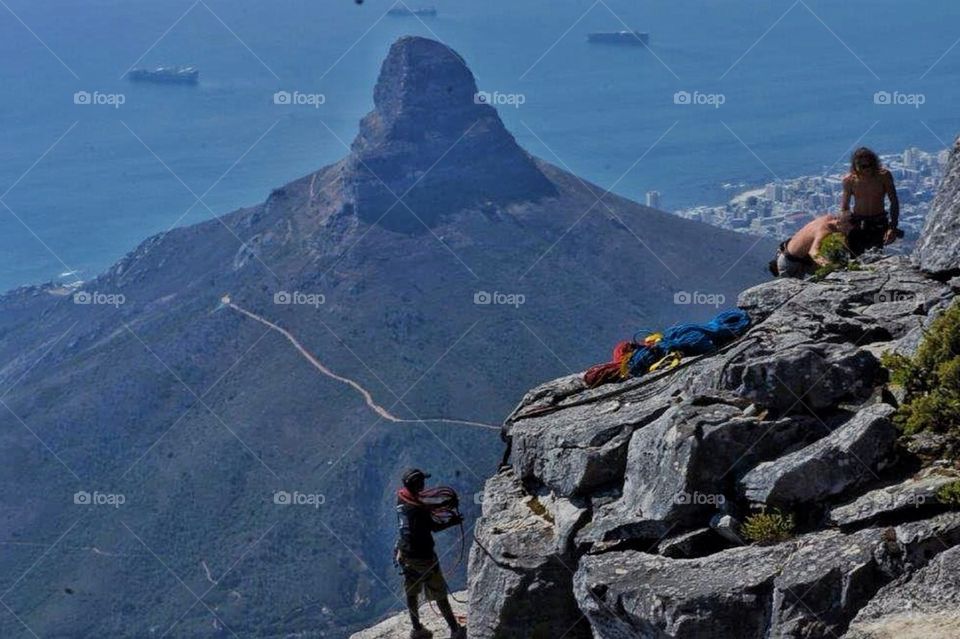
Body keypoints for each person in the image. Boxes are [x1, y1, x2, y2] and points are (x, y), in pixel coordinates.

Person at [395, 468, 466, 639]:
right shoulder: (418, 509)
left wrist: (441, 504)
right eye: (422, 482)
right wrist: (453, 521)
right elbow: (434, 526)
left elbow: (423, 506)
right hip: (424, 558)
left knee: (412, 592)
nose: (424, 484)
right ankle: (455, 630)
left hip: (405, 555)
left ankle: (417, 630)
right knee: (439, 593)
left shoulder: (402, 498)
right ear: (417, 484)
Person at [841, 147, 900, 255]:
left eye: (870, 165)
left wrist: (893, 227)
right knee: (855, 257)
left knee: (875, 255)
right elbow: (845, 206)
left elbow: (894, 201)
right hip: (858, 223)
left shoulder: (883, 176)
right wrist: (846, 227)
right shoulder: (849, 181)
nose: (867, 169)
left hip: (878, 222)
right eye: (863, 166)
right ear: (856, 166)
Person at [771, 212, 856, 278]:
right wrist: (830, 266)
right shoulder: (825, 230)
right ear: (838, 223)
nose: (847, 232)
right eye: (846, 228)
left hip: (803, 259)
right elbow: (813, 252)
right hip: (790, 264)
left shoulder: (828, 217)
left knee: (829, 274)